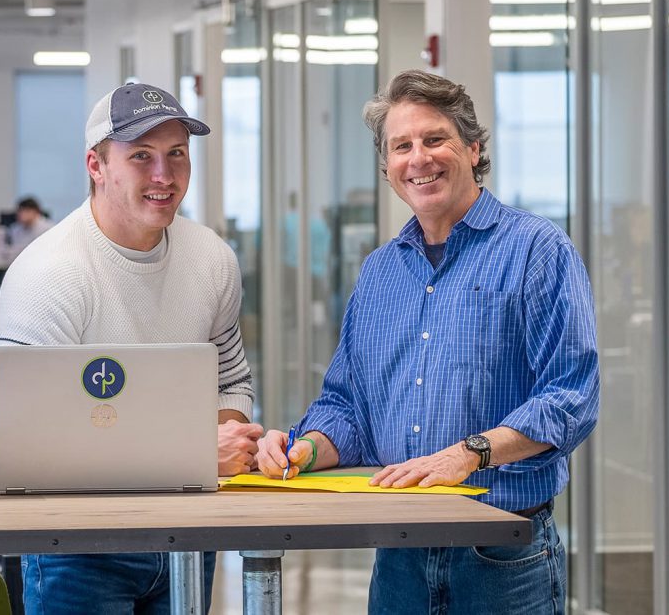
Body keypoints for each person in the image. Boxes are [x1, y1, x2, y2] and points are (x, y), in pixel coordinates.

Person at [255, 70, 599, 614]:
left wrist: (469, 455)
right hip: (399, 555)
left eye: (435, 139)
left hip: (500, 554)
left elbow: (571, 396)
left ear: (473, 147)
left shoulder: (538, 250)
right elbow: (349, 405)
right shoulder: (379, 274)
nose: (419, 158)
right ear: (388, 167)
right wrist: (306, 448)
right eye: (402, 146)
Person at [0, 82, 263, 614]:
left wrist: (218, 440)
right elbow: (26, 448)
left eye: (177, 155)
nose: (164, 176)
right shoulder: (48, 274)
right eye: (141, 156)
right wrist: (189, 455)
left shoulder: (211, 260)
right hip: (76, 549)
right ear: (96, 165)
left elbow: (230, 382)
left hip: (187, 539)